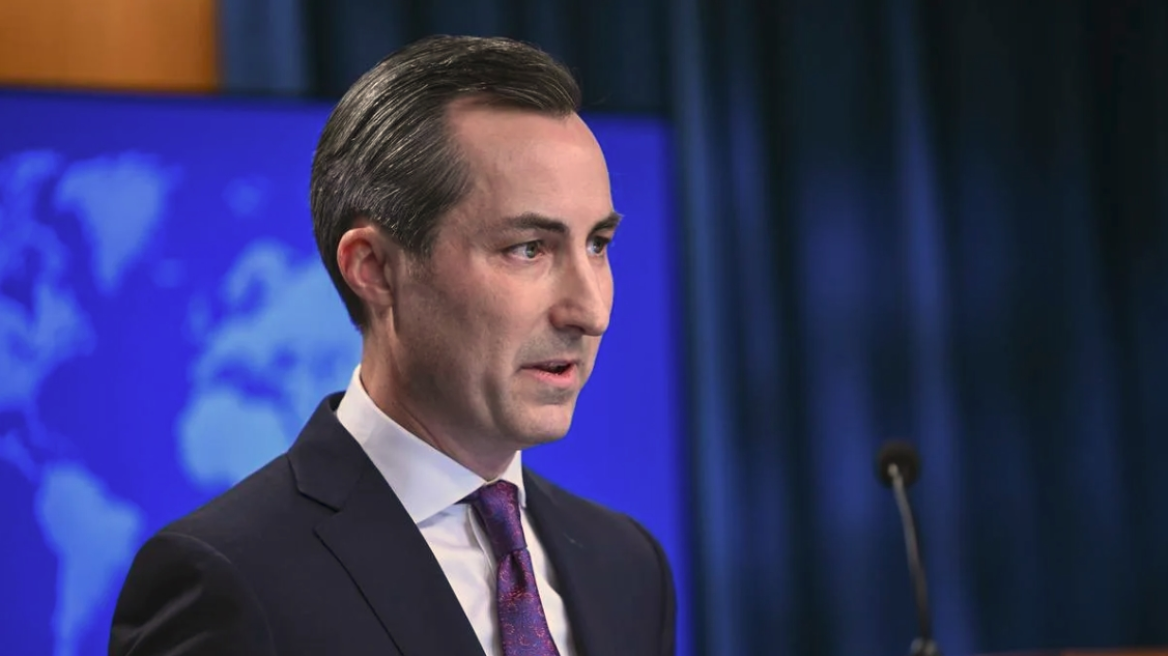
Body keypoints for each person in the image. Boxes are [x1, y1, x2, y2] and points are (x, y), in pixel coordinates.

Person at [108, 34, 676, 656]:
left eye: (597, 244)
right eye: (528, 249)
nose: (591, 312)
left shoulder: (628, 566)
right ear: (374, 269)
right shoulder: (227, 580)